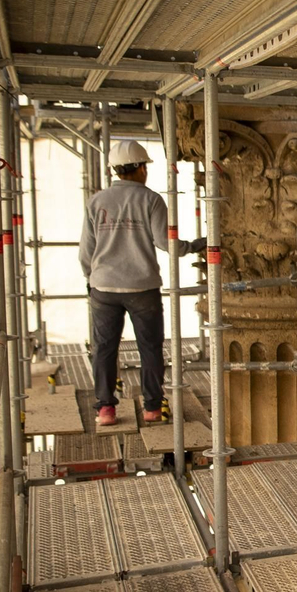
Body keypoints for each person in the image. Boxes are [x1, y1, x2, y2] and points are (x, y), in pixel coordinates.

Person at [78, 140, 202, 426]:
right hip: (143, 288)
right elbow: (164, 243)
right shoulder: (151, 200)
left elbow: (86, 250)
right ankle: (152, 408)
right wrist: (193, 246)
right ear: (141, 169)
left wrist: (91, 279)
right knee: (150, 347)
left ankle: (106, 409)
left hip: (104, 288)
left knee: (105, 348)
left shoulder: (96, 202)